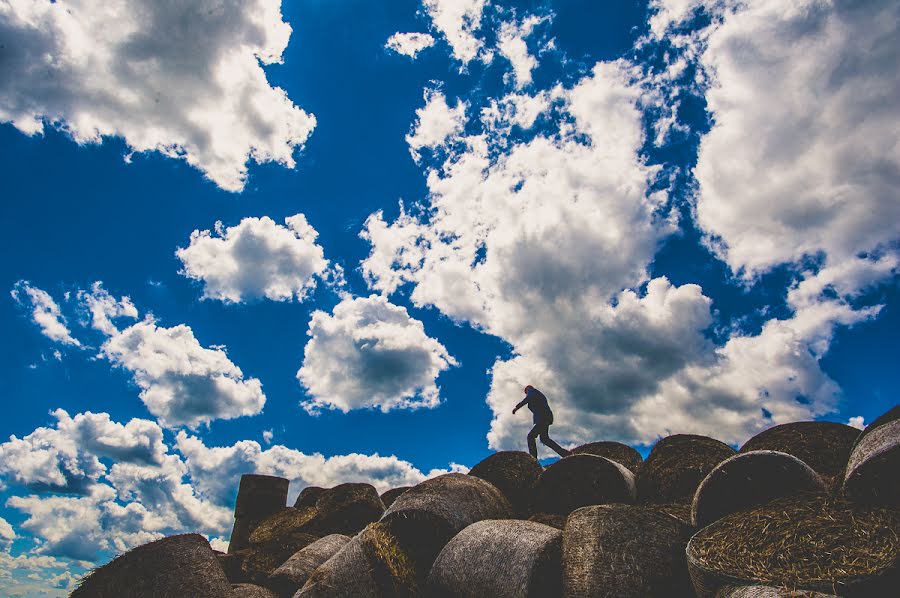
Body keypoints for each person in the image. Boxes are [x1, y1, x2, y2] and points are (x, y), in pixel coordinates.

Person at [513, 385, 570, 459]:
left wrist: (516, 408)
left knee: (530, 436)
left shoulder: (531, 391)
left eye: (526, 392)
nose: (526, 394)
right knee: (544, 439)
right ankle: (564, 453)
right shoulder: (538, 394)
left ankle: (533, 459)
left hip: (543, 418)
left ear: (527, 390)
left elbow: (529, 398)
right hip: (546, 417)